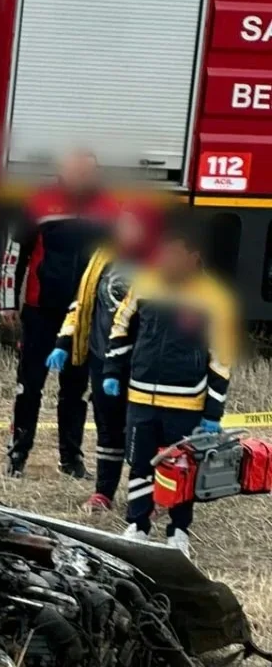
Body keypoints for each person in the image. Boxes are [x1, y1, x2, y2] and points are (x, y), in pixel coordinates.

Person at [103, 213, 239, 554]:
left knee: (182, 468)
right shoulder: (145, 283)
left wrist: (213, 410)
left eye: (173, 255)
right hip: (140, 397)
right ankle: (137, 525)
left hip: (186, 403)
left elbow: (222, 357)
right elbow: (121, 325)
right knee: (139, 464)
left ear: (193, 257)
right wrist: (111, 371)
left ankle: (178, 532)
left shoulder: (215, 298)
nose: (165, 261)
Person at [0, 150, 119, 479]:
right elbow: (13, 255)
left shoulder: (109, 209)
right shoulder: (38, 203)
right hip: (41, 312)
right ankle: (18, 453)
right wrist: (6, 302)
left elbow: (119, 264)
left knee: (75, 391)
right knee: (29, 386)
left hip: (85, 316)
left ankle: (71, 459)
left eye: (86, 171)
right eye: (73, 169)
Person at [47, 204, 158, 513]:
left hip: (141, 363)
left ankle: (145, 497)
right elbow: (81, 305)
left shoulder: (158, 264)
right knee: (107, 427)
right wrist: (63, 341)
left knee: (143, 431)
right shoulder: (100, 260)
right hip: (100, 356)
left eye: (131, 226)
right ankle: (103, 494)